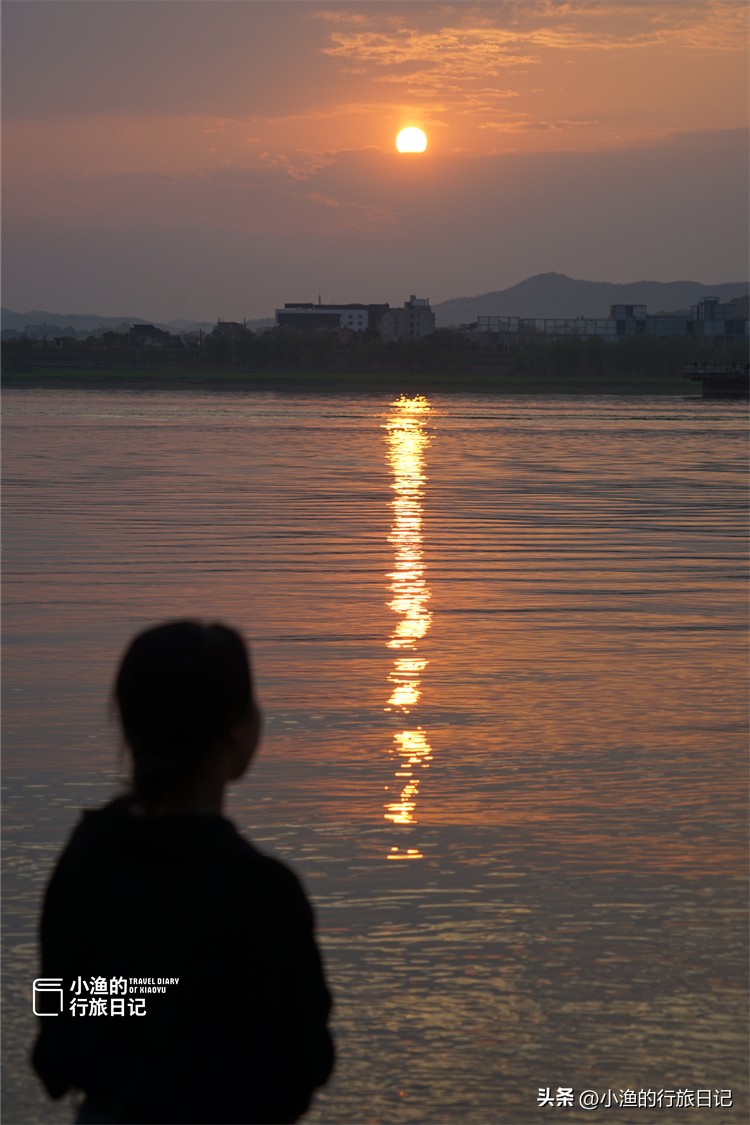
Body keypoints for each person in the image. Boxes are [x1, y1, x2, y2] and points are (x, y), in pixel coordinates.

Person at [32, 620, 334, 1125]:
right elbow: (304, 1060)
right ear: (237, 729)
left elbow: (63, 1012)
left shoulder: (90, 854)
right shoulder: (262, 893)